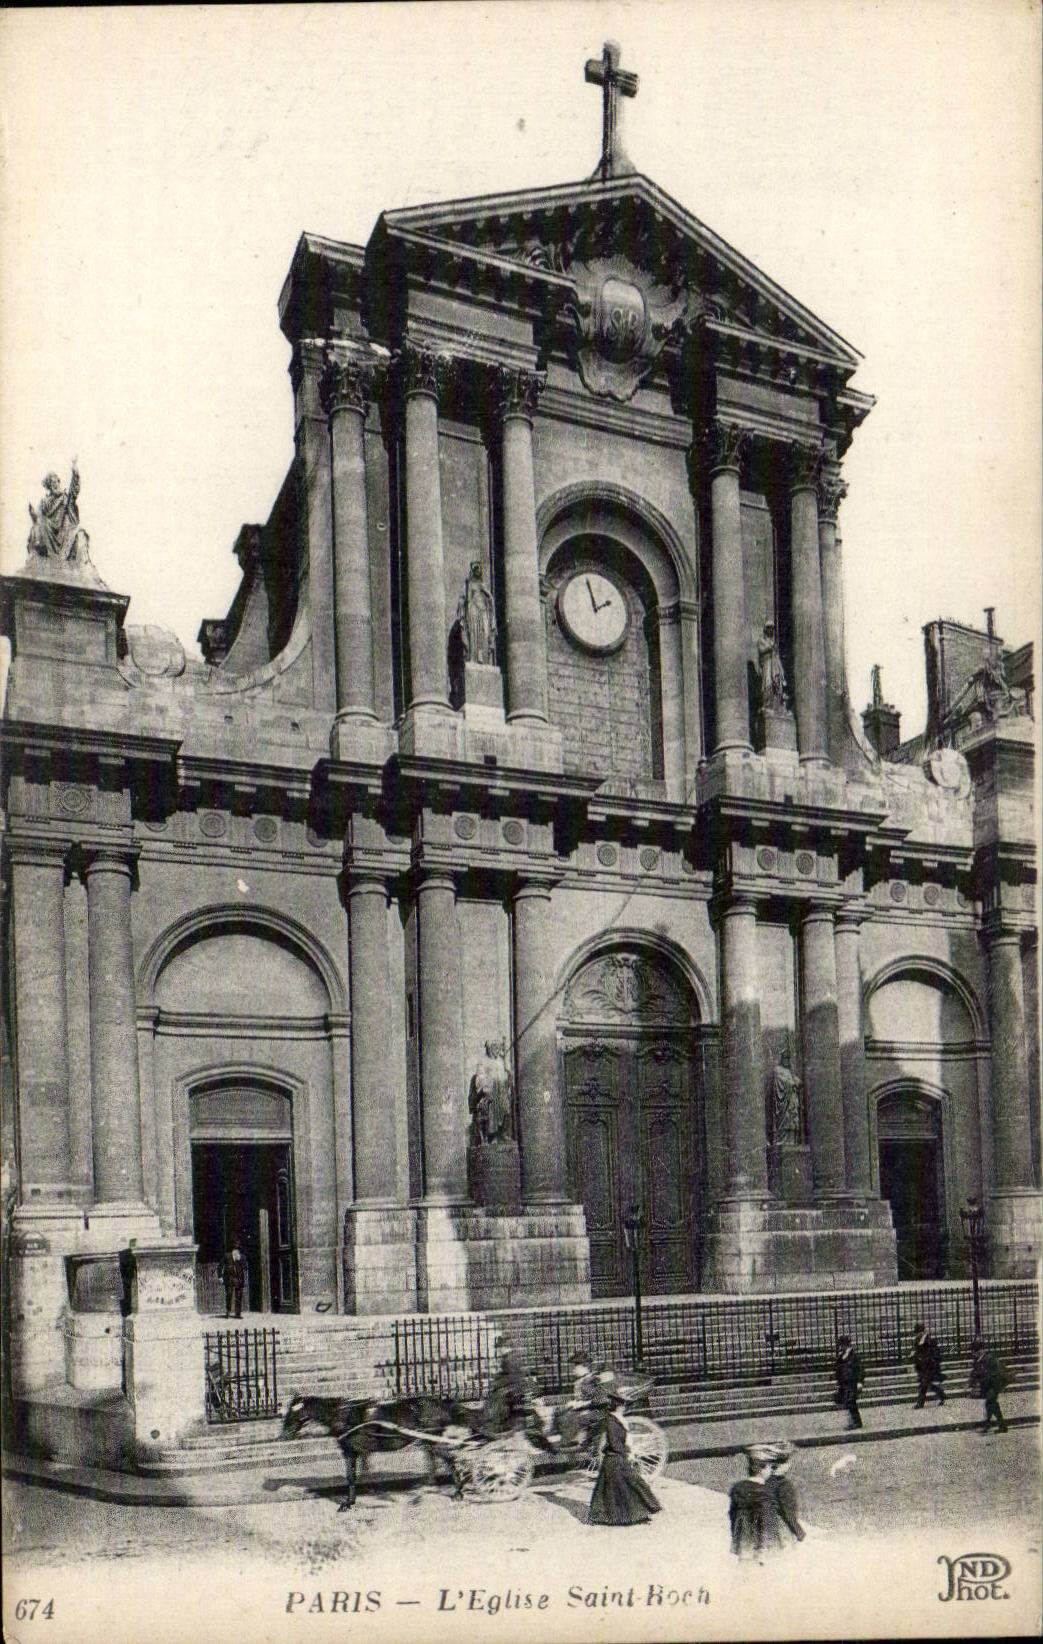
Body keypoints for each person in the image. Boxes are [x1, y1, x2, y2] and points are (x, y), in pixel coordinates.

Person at [588, 1387, 661, 1527]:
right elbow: (615, 1443)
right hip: (615, 1458)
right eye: (623, 1404)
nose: (624, 1407)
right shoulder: (610, 1421)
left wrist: (630, 1453)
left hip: (617, 1457)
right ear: (618, 1405)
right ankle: (627, 1515)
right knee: (630, 1483)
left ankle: (635, 1513)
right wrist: (625, 1455)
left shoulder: (620, 1419)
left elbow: (627, 1440)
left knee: (627, 1485)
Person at [728, 1445, 783, 1562]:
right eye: (771, 1467)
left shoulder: (737, 1489)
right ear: (762, 1469)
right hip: (761, 1551)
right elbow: (768, 1523)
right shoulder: (765, 1494)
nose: (771, 1471)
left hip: (743, 1547)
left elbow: (732, 1516)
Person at [766, 1444, 806, 1544]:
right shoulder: (784, 1485)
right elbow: (788, 1512)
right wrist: (799, 1532)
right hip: (782, 1528)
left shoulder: (766, 1482)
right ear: (784, 1465)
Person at [969, 1338, 1010, 1434]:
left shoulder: (989, 1358)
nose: (974, 1354)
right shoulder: (979, 1360)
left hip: (994, 1386)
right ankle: (1001, 1426)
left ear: (980, 1350)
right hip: (988, 1386)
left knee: (990, 1404)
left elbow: (997, 1372)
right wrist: (972, 1382)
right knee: (993, 1405)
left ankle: (988, 1426)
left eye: (975, 1351)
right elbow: (975, 1373)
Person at [834, 1335, 865, 1430]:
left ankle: (857, 1422)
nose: (840, 1347)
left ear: (845, 1345)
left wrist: (860, 1382)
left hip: (852, 1382)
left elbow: (860, 1370)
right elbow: (838, 1370)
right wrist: (838, 1383)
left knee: (851, 1402)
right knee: (847, 1402)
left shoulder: (854, 1356)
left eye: (841, 1345)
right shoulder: (842, 1356)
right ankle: (852, 1421)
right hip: (844, 1383)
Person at [911, 1323, 945, 1407]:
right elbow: (918, 1351)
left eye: (919, 1332)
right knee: (928, 1384)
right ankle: (942, 1395)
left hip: (929, 1366)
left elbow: (934, 1353)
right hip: (922, 1367)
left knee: (923, 1385)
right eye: (917, 1333)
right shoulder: (917, 1340)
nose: (918, 1334)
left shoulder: (929, 1340)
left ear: (922, 1332)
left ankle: (920, 1404)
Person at [220, 1243, 246, 1319]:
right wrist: (220, 1277)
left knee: (238, 1296)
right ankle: (228, 1312)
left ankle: (238, 1314)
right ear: (232, 1251)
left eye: (238, 1250)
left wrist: (240, 1260)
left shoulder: (242, 1257)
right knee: (229, 1295)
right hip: (229, 1278)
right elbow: (220, 1266)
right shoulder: (226, 1256)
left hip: (239, 1279)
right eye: (235, 1250)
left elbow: (245, 1267)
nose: (236, 1252)